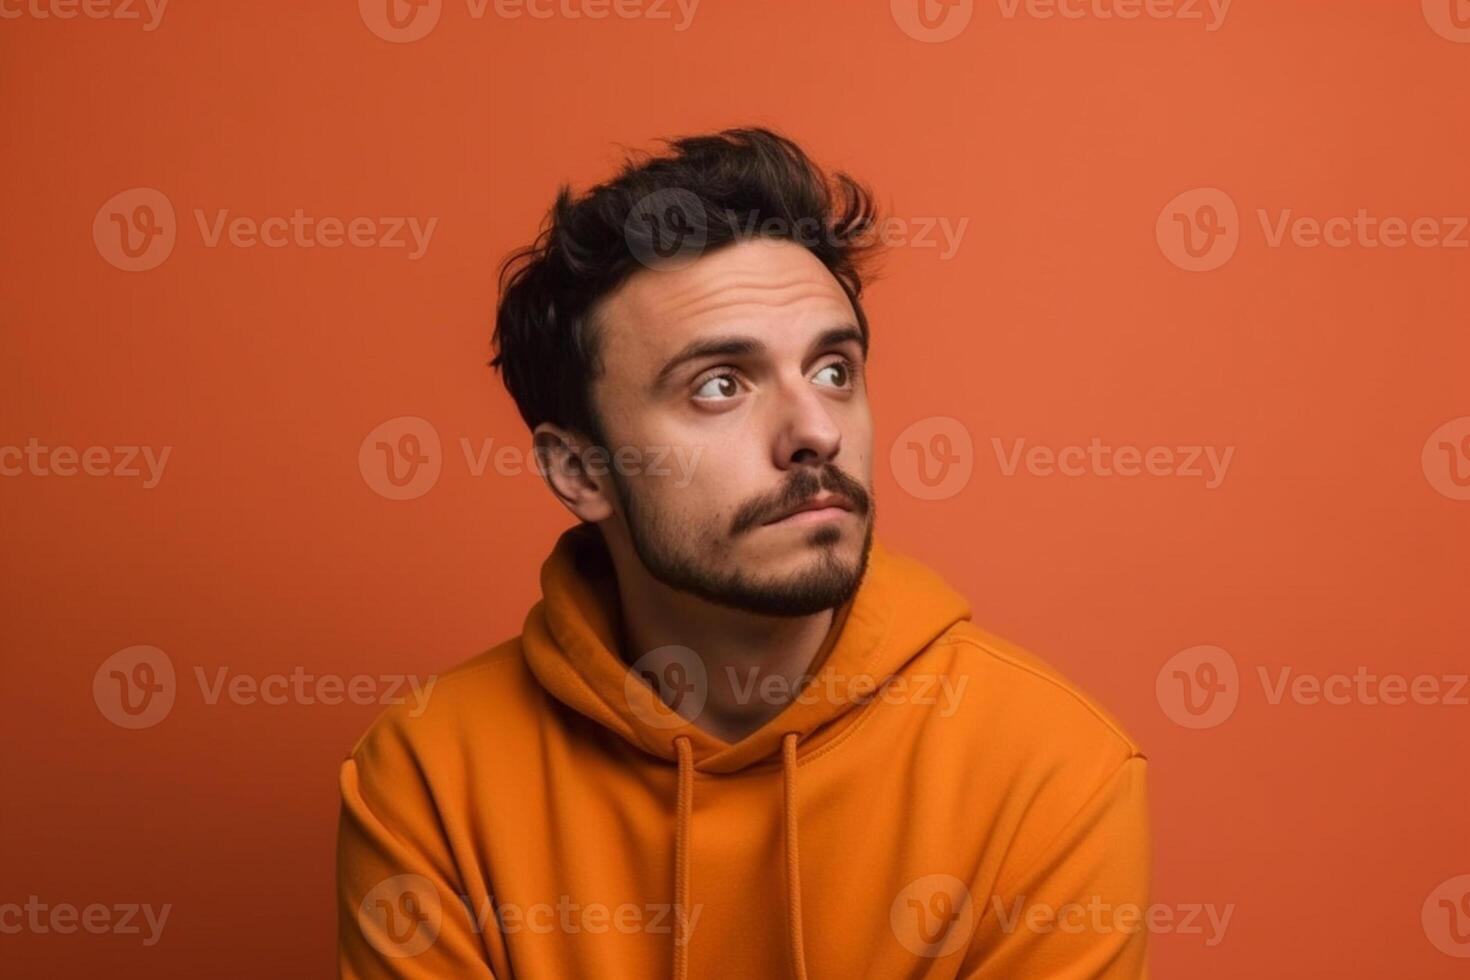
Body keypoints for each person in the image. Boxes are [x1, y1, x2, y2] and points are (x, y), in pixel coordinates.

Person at [336, 127, 1150, 979]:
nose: (816, 432)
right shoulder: (426, 778)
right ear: (581, 470)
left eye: (834, 370)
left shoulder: (1054, 771)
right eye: (720, 384)